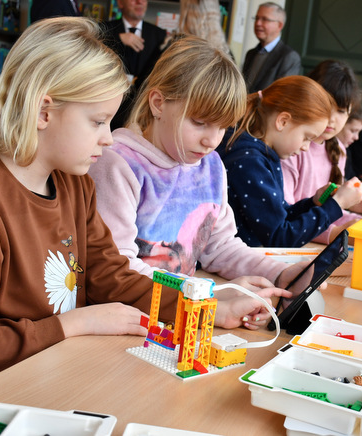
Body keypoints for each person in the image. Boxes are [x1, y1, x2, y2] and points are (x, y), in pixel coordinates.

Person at [0, 18, 290, 391]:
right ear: (44, 112)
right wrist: (74, 324)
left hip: (61, 373)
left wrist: (209, 313)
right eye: (98, 121)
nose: (109, 139)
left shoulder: (75, 185)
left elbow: (112, 277)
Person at [89, 36, 306, 327]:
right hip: (126, 320)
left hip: (183, 317)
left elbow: (221, 246)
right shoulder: (117, 165)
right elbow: (120, 267)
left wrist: (281, 274)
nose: (211, 140)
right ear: (158, 104)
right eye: (200, 122)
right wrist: (211, 296)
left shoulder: (211, 166)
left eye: (223, 128)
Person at [217, 75, 362, 248]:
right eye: (307, 137)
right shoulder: (249, 160)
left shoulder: (263, 154)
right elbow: (279, 238)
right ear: (283, 121)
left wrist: (313, 203)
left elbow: (279, 216)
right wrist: (336, 205)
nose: (306, 147)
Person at [281, 60, 362, 243]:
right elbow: (286, 218)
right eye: (325, 106)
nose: (331, 119)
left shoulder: (339, 150)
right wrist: (336, 233)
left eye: (341, 111)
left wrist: (359, 223)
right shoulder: (290, 147)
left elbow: (334, 211)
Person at [102, 0, 168, 129]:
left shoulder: (159, 34)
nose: (140, 2)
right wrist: (118, 37)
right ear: (120, 3)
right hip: (109, 101)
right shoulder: (106, 29)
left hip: (140, 107)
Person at [242, 2, 301, 94]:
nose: (258, 23)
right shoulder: (250, 54)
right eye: (257, 18)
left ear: (279, 25)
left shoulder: (289, 57)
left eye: (265, 19)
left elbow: (282, 94)